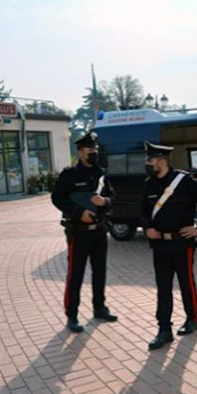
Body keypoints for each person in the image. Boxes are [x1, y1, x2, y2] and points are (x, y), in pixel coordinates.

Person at [140, 141, 197, 350]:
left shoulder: (184, 182)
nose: (147, 163)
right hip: (159, 245)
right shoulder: (149, 184)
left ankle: (193, 319)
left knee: (186, 282)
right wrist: (147, 227)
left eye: (151, 159)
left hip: (182, 242)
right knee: (163, 287)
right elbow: (144, 212)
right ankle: (164, 330)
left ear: (163, 161)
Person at [51, 132, 118, 333]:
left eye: (95, 149)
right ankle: (72, 315)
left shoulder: (102, 174)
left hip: (99, 231)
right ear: (80, 153)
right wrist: (80, 212)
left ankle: (100, 308)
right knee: (76, 274)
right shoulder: (69, 174)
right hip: (78, 233)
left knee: (100, 272)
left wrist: (105, 202)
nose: (94, 152)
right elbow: (57, 199)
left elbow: (113, 197)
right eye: (90, 150)